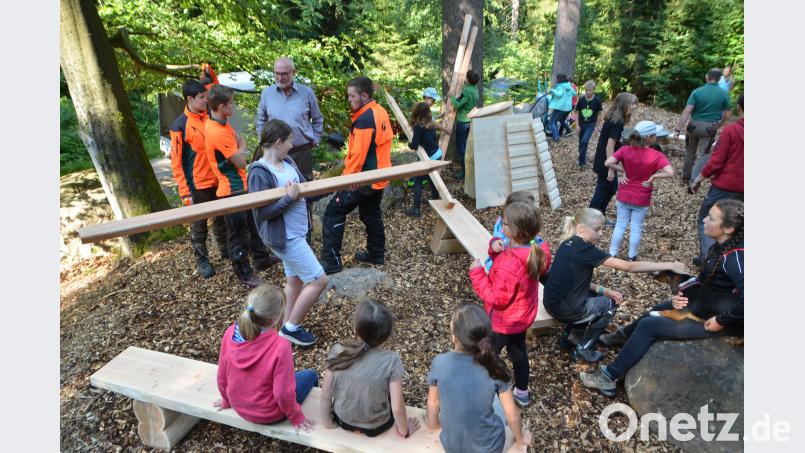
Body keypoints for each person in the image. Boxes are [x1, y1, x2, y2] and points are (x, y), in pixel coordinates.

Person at [581, 199, 743, 397]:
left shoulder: (736, 258)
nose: (704, 221)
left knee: (650, 326)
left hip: (724, 320)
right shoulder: (719, 246)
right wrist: (679, 295)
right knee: (656, 309)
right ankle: (621, 338)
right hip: (705, 305)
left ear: (727, 228)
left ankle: (608, 378)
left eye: (711, 218)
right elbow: (704, 280)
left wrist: (721, 321)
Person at [543, 208, 687, 363]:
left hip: (552, 303)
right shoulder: (585, 250)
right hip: (564, 309)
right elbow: (628, 266)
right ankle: (584, 348)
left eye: (602, 229)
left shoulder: (567, 244)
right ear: (581, 228)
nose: (601, 234)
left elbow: (574, 281)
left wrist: (604, 290)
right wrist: (670, 265)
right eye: (597, 229)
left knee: (601, 296)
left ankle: (570, 338)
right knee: (612, 303)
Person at [248, 119, 330, 346]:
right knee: (319, 280)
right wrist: (288, 199)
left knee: (294, 281)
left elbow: (303, 192)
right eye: (289, 141)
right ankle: (292, 328)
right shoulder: (259, 172)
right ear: (278, 142)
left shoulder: (289, 162)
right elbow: (262, 213)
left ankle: (285, 325)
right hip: (285, 238)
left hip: (297, 232)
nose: (292, 146)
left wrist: (335, 187)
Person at [469, 201, 551, 407]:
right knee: (518, 353)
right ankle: (522, 392)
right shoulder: (537, 250)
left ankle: (485, 392)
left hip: (502, 323)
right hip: (522, 318)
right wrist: (496, 248)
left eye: (503, 223)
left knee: (486, 354)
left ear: (513, 231)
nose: (500, 225)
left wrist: (477, 273)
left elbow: (497, 298)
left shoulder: (510, 262)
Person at [425, 304, 533, 453]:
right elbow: (512, 414)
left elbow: (433, 401)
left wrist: (433, 425)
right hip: (490, 447)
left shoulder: (439, 362)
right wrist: (521, 439)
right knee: (496, 401)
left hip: (452, 447)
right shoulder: (495, 368)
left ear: (454, 337)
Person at [214, 284, 318, 430]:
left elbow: (222, 375)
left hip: (239, 406)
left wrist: (226, 400)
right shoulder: (280, 345)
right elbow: (283, 394)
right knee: (311, 375)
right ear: (274, 319)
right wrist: (296, 417)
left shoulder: (230, 333)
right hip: (269, 414)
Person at [320, 76, 393, 274]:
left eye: (352, 96)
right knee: (370, 213)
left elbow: (358, 155)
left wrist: (348, 180)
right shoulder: (379, 111)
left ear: (364, 95)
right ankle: (376, 253)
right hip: (378, 177)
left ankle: (331, 260)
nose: (349, 100)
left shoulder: (365, 120)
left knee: (333, 212)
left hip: (363, 179)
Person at [320, 300, 421, 438]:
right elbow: (397, 408)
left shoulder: (338, 351)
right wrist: (404, 431)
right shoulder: (391, 360)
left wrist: (328, 423)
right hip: (376, 426)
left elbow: (326, 394)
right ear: (386, 336)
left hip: (343, 420)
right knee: (392, 391)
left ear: (355, 329)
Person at [205, 84, 272, 287]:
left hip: (241, 186)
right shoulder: (218, 132)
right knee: (238, 234)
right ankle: (244, 274)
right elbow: (241, 161)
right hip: (231, 191)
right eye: (231, 104)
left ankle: (261, 259)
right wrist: (241, 148)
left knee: (252, 225)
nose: (233, 107)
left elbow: (240, 142)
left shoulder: (222, 123)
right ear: (220, 106)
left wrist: (239, 148)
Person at [169, 79, 228, 278]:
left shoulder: (209, 116)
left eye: (205, 96)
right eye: (202, 97)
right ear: (190, 99)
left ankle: (225, 250)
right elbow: (176, 162)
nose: (206, 100)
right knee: (199, 226)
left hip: (217, 180)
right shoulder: (180, 125)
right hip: (197, 185)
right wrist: (185, 192)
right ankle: (202, 260)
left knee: (221, 218)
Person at [605, 120, 675, 261]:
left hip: (624, 193)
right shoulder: (656, 155)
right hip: (642, 196)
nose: (656, 136)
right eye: (655, 134)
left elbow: (608, 162)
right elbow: (670, 172)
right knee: (636, 227)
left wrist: (622, 169)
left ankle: (612, 254)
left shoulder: (625, 150)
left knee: (620, 224)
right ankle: (631, 256)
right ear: (649, 137)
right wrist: (654, 176)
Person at [690, 94, 744, 266]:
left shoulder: (732, 130)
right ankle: (733, 262)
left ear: (739, 107)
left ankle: (710, 262)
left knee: (707, 220)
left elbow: (716, 161)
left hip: (726, 186)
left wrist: (698, 178)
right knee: (738, 225)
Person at [255, 57, 324, 183]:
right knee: (277, 187)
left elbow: (318, 118)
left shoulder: (306, 92)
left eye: (284, 74)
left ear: (293, 72)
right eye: (277, 74)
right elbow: (260, 121)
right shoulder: (267, 93)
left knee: (305, 187)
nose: (280, 78)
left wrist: (316, 139)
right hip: (274, 153)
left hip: (301, 151)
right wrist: (264, 143)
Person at [674, 68, 732, 184]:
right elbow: (727, 114)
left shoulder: (697, 91)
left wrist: (678, 129)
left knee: (689, 152)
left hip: (693, 126)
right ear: (720, 79)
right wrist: (720, 124)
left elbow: (687, 111)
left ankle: (685, 177)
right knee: (703, 155)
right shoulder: (724, 94)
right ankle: (694, 181)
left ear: (707, 77)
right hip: (709, 128)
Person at [589, 92, 638, 223]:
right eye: (633, 104)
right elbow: (609, 146)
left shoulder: (614, 118)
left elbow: (615, 142)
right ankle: (590, 219)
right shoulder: (618, 122)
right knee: (602, 190)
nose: (635, 107)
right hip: (606, 161)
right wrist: (611, 168)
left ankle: (600, 216)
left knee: (611, 188)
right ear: (624, 105)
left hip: (605, 160)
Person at [483, 191, 547, 273]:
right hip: (500, 267)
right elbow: (497, 237)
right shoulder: (503, 224)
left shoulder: (531, 238)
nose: (530, 212)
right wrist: (494, 242)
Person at [404, 102, 442, 218]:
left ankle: (416, 209)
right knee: (432, 178)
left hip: (428, 158)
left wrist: (409, 144)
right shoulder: (430, 124)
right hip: (437, 154)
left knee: (417, 181)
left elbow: (415, 145)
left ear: (416, 113)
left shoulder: (418, 127)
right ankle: (436, 200)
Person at [451, 69, 480, 180]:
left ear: (468, 79)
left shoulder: (467, 91)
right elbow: (467, 97)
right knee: (466, 146)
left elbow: (457, 105)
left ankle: (464, 173)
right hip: (470, 121)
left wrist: (452, 96)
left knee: (461, 147)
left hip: (463, 122)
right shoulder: (475, 89)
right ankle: (468, 171)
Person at [575, 80, 603, 169]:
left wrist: (596, 128)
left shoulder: (597, 101)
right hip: (581, 123)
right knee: (581, 142)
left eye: (590, 90)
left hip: (590, 124)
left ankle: (582, 162)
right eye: (586, 90)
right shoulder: (581, 99)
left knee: (584, 141)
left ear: (593, 90)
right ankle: (581, 157)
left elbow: (599, 114)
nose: (588, 92)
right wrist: (576, 125)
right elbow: (577, 112)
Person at [547, 73, 576, 141]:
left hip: (559, 107)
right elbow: (574, 93)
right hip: (566, 107)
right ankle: (557, 135)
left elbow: (559, 94)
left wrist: (552, 90)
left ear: (559, 79)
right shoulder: (568, 86)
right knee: (555, 120)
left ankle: (556, 137)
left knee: (551, 122)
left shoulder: (560, 86)